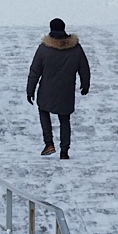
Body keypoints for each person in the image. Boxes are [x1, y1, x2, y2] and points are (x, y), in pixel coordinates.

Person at [26, 18, 91, 159]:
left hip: (46, 91)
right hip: (66, 91)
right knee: (64, 119)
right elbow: (84, 68)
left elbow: (35, 71)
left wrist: (30, 90)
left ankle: (49, 143)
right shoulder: (75, 48)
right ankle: (64, 151)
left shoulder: (44, 49)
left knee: (43, 111)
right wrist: (85, 84)